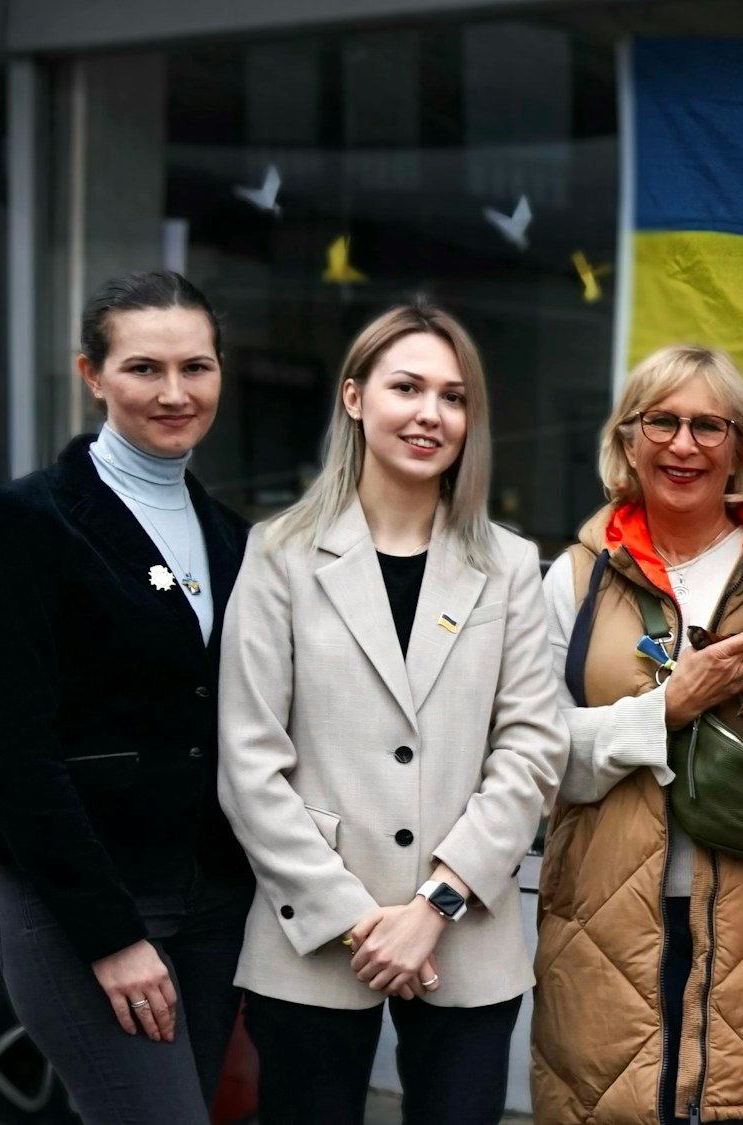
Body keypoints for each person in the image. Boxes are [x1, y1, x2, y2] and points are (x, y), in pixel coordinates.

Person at [217, 302, 566, 1123]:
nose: (429, 414)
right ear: (354, 397)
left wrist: (434, 907)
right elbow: (248, 763)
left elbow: (529, 750)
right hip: (310, 929)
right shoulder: (279, 555)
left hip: (467, 932)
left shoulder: (510, 565)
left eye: (452, 396)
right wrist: (357, 921)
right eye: (406, 386)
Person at [0, 271, 252, 1123]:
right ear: (92, 374)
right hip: (84, 901)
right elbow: (14, 748)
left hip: (211, 899)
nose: (174, 393)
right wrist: (112, 934)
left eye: (196, 367)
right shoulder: (25, 520)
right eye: (143, 369)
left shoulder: (234, 538)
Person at [531, 344, 743, 1125]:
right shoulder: (575, 576)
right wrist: (667, 709)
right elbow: (524, 754)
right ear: (628, 440)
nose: (684, 444)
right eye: (661, 421)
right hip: (603, 924)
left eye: (708, 424)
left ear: (739, 446)